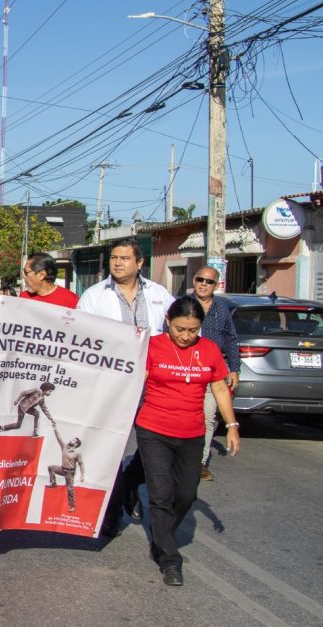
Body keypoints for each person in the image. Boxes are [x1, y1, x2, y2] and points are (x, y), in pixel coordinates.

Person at [136, 296, 241, 587]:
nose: (185, 336)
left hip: (192, 433)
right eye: (180, 329)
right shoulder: (153, 346)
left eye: (192, 330)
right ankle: (169, 558)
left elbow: (219, 387)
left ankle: (161, 536)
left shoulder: (208, 350)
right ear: (168, 321)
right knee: (160, 495)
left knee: (186, 494)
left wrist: (232, 426)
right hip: (153, 429)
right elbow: (135, 383)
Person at [77, 237, 174, 536]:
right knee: (109, 449)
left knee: (155, 447)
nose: (118, 263)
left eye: (125, 258)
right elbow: (79, 337)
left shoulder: (160, 295)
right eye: (114, 258)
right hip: (110, 385)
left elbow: (174, 335)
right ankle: (111, 510)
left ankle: (132, 482)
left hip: (153, 386)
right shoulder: (94, 297)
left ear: (140, 263)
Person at [190, 266, 240, 481]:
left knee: (208, 416)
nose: (203, 284)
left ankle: (199, 463)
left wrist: (235, 369)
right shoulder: (183, 304)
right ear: (193, 280)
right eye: (200, 279)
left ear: (216, 285)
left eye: (209, 281)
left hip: (213, 371)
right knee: (188, 415)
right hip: (187, 370)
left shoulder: (222, 308)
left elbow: (231, 339)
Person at [46, 428, 85, 513]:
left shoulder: (77, 453)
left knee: (70, 489)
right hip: (62, 469)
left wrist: (82, 475)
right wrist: (55, 429)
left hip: (70, 473)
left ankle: (72, 506)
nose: (71, 440)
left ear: (76, 444)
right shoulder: (65, 447)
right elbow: (59, 439)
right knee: (51, 467)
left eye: (73, 440)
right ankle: (53, 483)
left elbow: (81, 464)